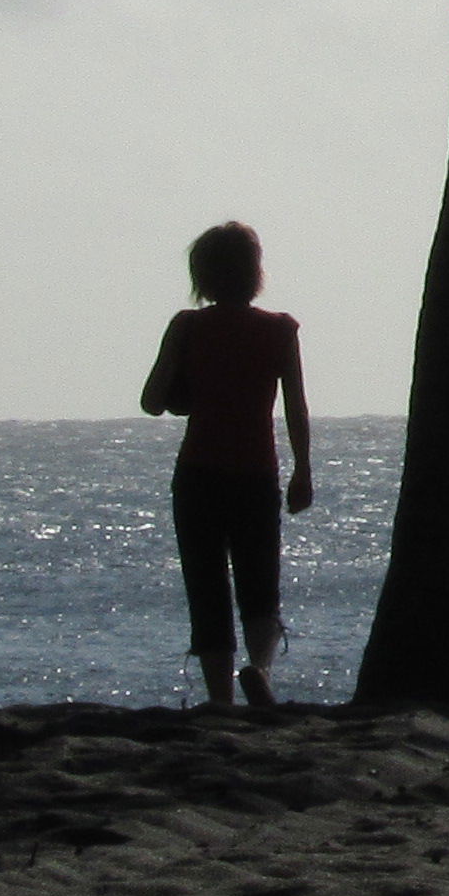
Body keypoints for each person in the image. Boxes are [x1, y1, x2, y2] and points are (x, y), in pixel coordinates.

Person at [140, 222, 312, 709]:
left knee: (206, 584)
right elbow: (296, 406)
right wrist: (304, 470)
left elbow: (153, 401)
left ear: (203, 276)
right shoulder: (280, 330)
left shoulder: (188, 327)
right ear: (254, 272)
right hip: (256, 468)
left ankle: (220, 701)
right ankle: (258, 671)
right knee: (261, 582)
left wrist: (187, 393)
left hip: (199, 472)